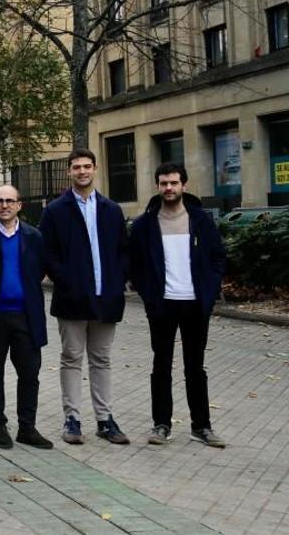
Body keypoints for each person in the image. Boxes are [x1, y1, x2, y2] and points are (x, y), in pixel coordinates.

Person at [129, 163, 227, 448]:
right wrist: (148, 293)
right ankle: (161, 425)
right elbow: (135, 263)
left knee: (195, 367)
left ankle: (202, 427)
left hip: (195, 305)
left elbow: (218, 257)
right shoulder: (145, 224)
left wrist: (209, 291)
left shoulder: (200, 219)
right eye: (163, 183)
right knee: (161, 366)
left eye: (173, 183)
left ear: (184, 184)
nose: (168, 188)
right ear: (157, 186)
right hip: (162, 305)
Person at [39, 149, 130, 445]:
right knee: (71, 358)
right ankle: (72, 419)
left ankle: (105, 419)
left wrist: (117, 283)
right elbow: (48, 254)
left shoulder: (111, 209)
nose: (82, 171)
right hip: (72, 299)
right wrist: (65, 280)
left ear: (95, 169)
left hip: (107, 297)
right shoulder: (55, 210)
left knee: (101, 359)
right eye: (76, 167)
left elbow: (122, 252)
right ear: (69, 171)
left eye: (87, 166)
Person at [0, 185, 54, 450]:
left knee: (30, 373)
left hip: (25, 316)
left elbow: (39, 271)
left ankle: (27, 427)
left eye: (10, 201)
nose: (5, 205)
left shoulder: (34, 236)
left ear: (19, 205)